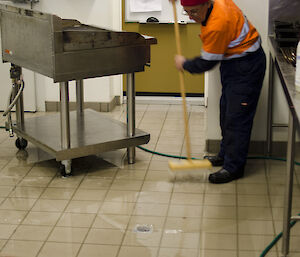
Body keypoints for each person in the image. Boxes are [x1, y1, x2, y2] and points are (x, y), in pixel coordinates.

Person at [173, 0, 266, 183]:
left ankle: (233, 168)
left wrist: (185, 64)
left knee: (236, 118)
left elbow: (206, 62)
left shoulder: (218, 23)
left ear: (206, 4)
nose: (191, 18)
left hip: (246, 65)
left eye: (194, 12)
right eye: (186, 12)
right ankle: (225, 155)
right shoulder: (214, 4)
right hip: (233, 62)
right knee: (226, 114)